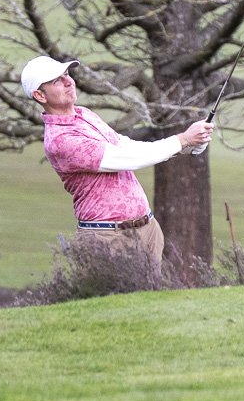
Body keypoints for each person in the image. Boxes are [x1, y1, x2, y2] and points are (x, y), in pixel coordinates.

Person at [23, 55, 212, 272]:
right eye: (56, 81)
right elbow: (124, 159)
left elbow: (127, 146)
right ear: (39, 95)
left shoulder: (84, 114)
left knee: (153, 301)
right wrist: (183, 139)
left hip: (146, 229)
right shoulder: (60, 140)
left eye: (66, 74)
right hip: (107, 237)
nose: (69, 82)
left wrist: (187, 146)